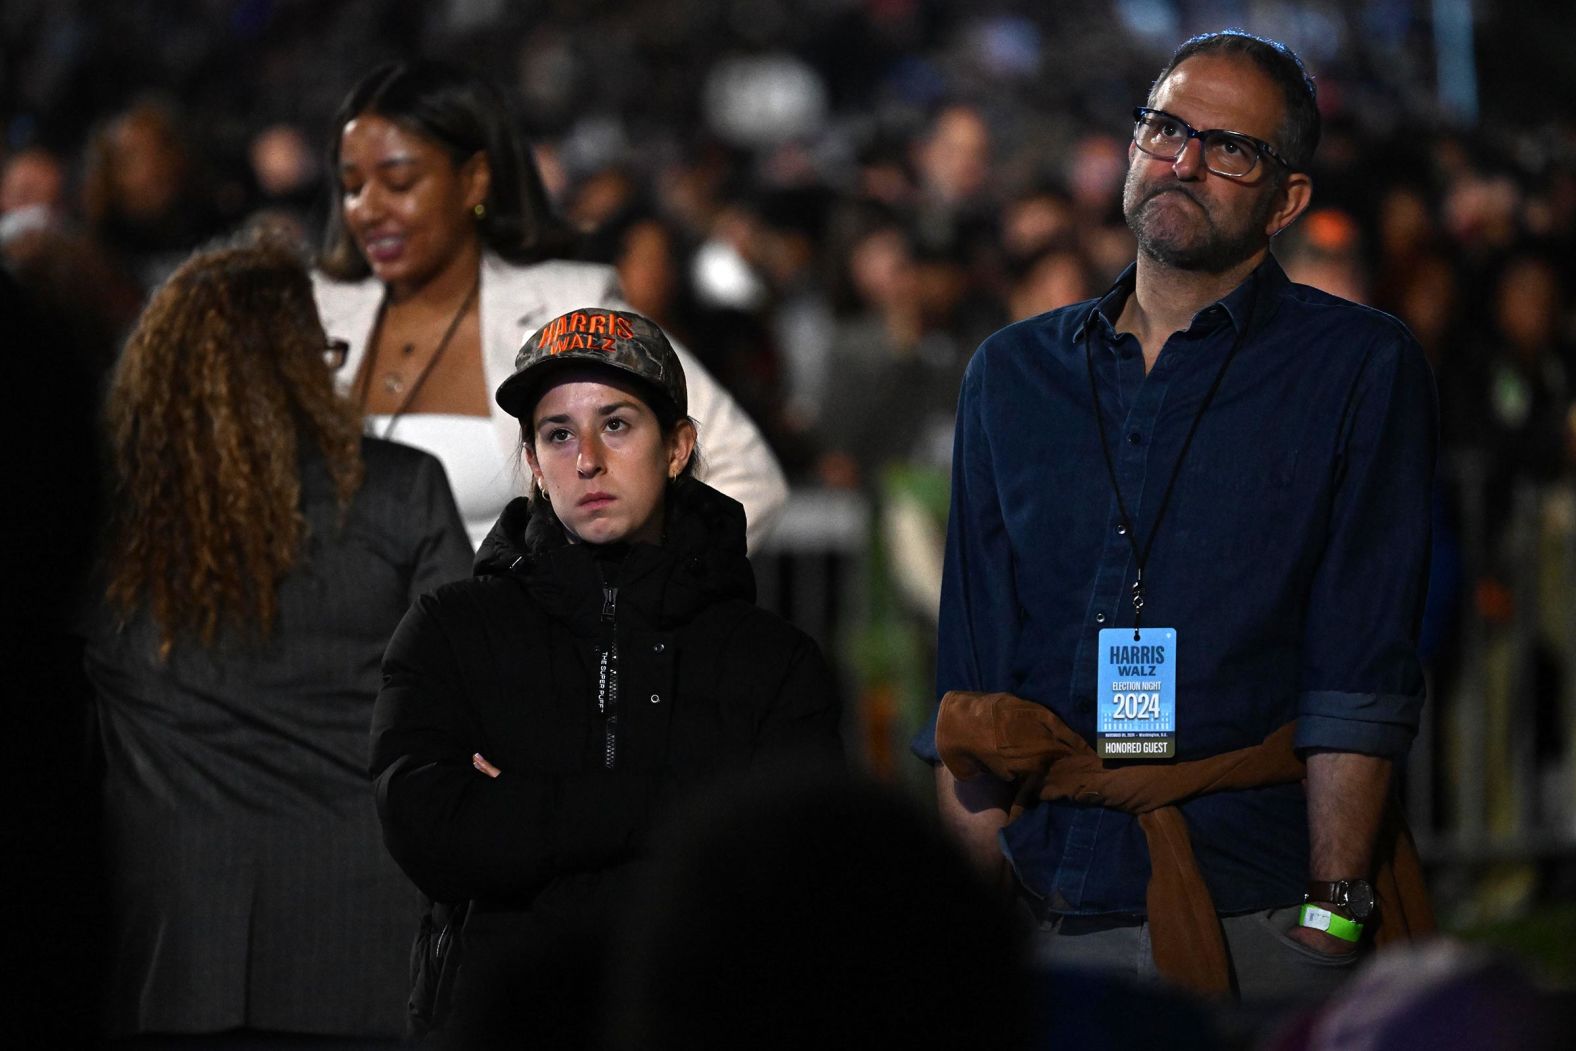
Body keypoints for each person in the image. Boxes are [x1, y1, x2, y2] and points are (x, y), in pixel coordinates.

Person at [915, 30, 1438, 1007]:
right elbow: (972, 691)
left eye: (1229, 146)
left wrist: (1330, 918)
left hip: (1263, 897)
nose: (1184, 161)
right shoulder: (1012, 374)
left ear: (1286, 198)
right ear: (1130, 146)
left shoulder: (1357, 366)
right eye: (1164, 128)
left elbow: (1358, 668)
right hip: (1045, 902)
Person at [369, 306, 843, 1047]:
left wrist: (525, 809)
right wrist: (688, 800)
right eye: (558, 434)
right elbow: (429, 829)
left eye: (616, 424)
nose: (586, 458)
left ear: (680, 445)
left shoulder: (774, 660)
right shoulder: (450, 630)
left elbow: (794, 875)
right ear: (531, 460)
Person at [80, 235, 472, 1042]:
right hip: (364, 933)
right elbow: (461, 702)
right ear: (302, 358)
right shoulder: (403, 492)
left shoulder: (101, 516)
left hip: (166, 940)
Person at [313, 60, 788, 552]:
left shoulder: (567, 308)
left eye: (399, 183)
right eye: (352, 187)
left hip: (509, 631)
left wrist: (622, 608)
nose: (367, 210)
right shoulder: (309, 317)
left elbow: (746, 474)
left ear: (474, 180)